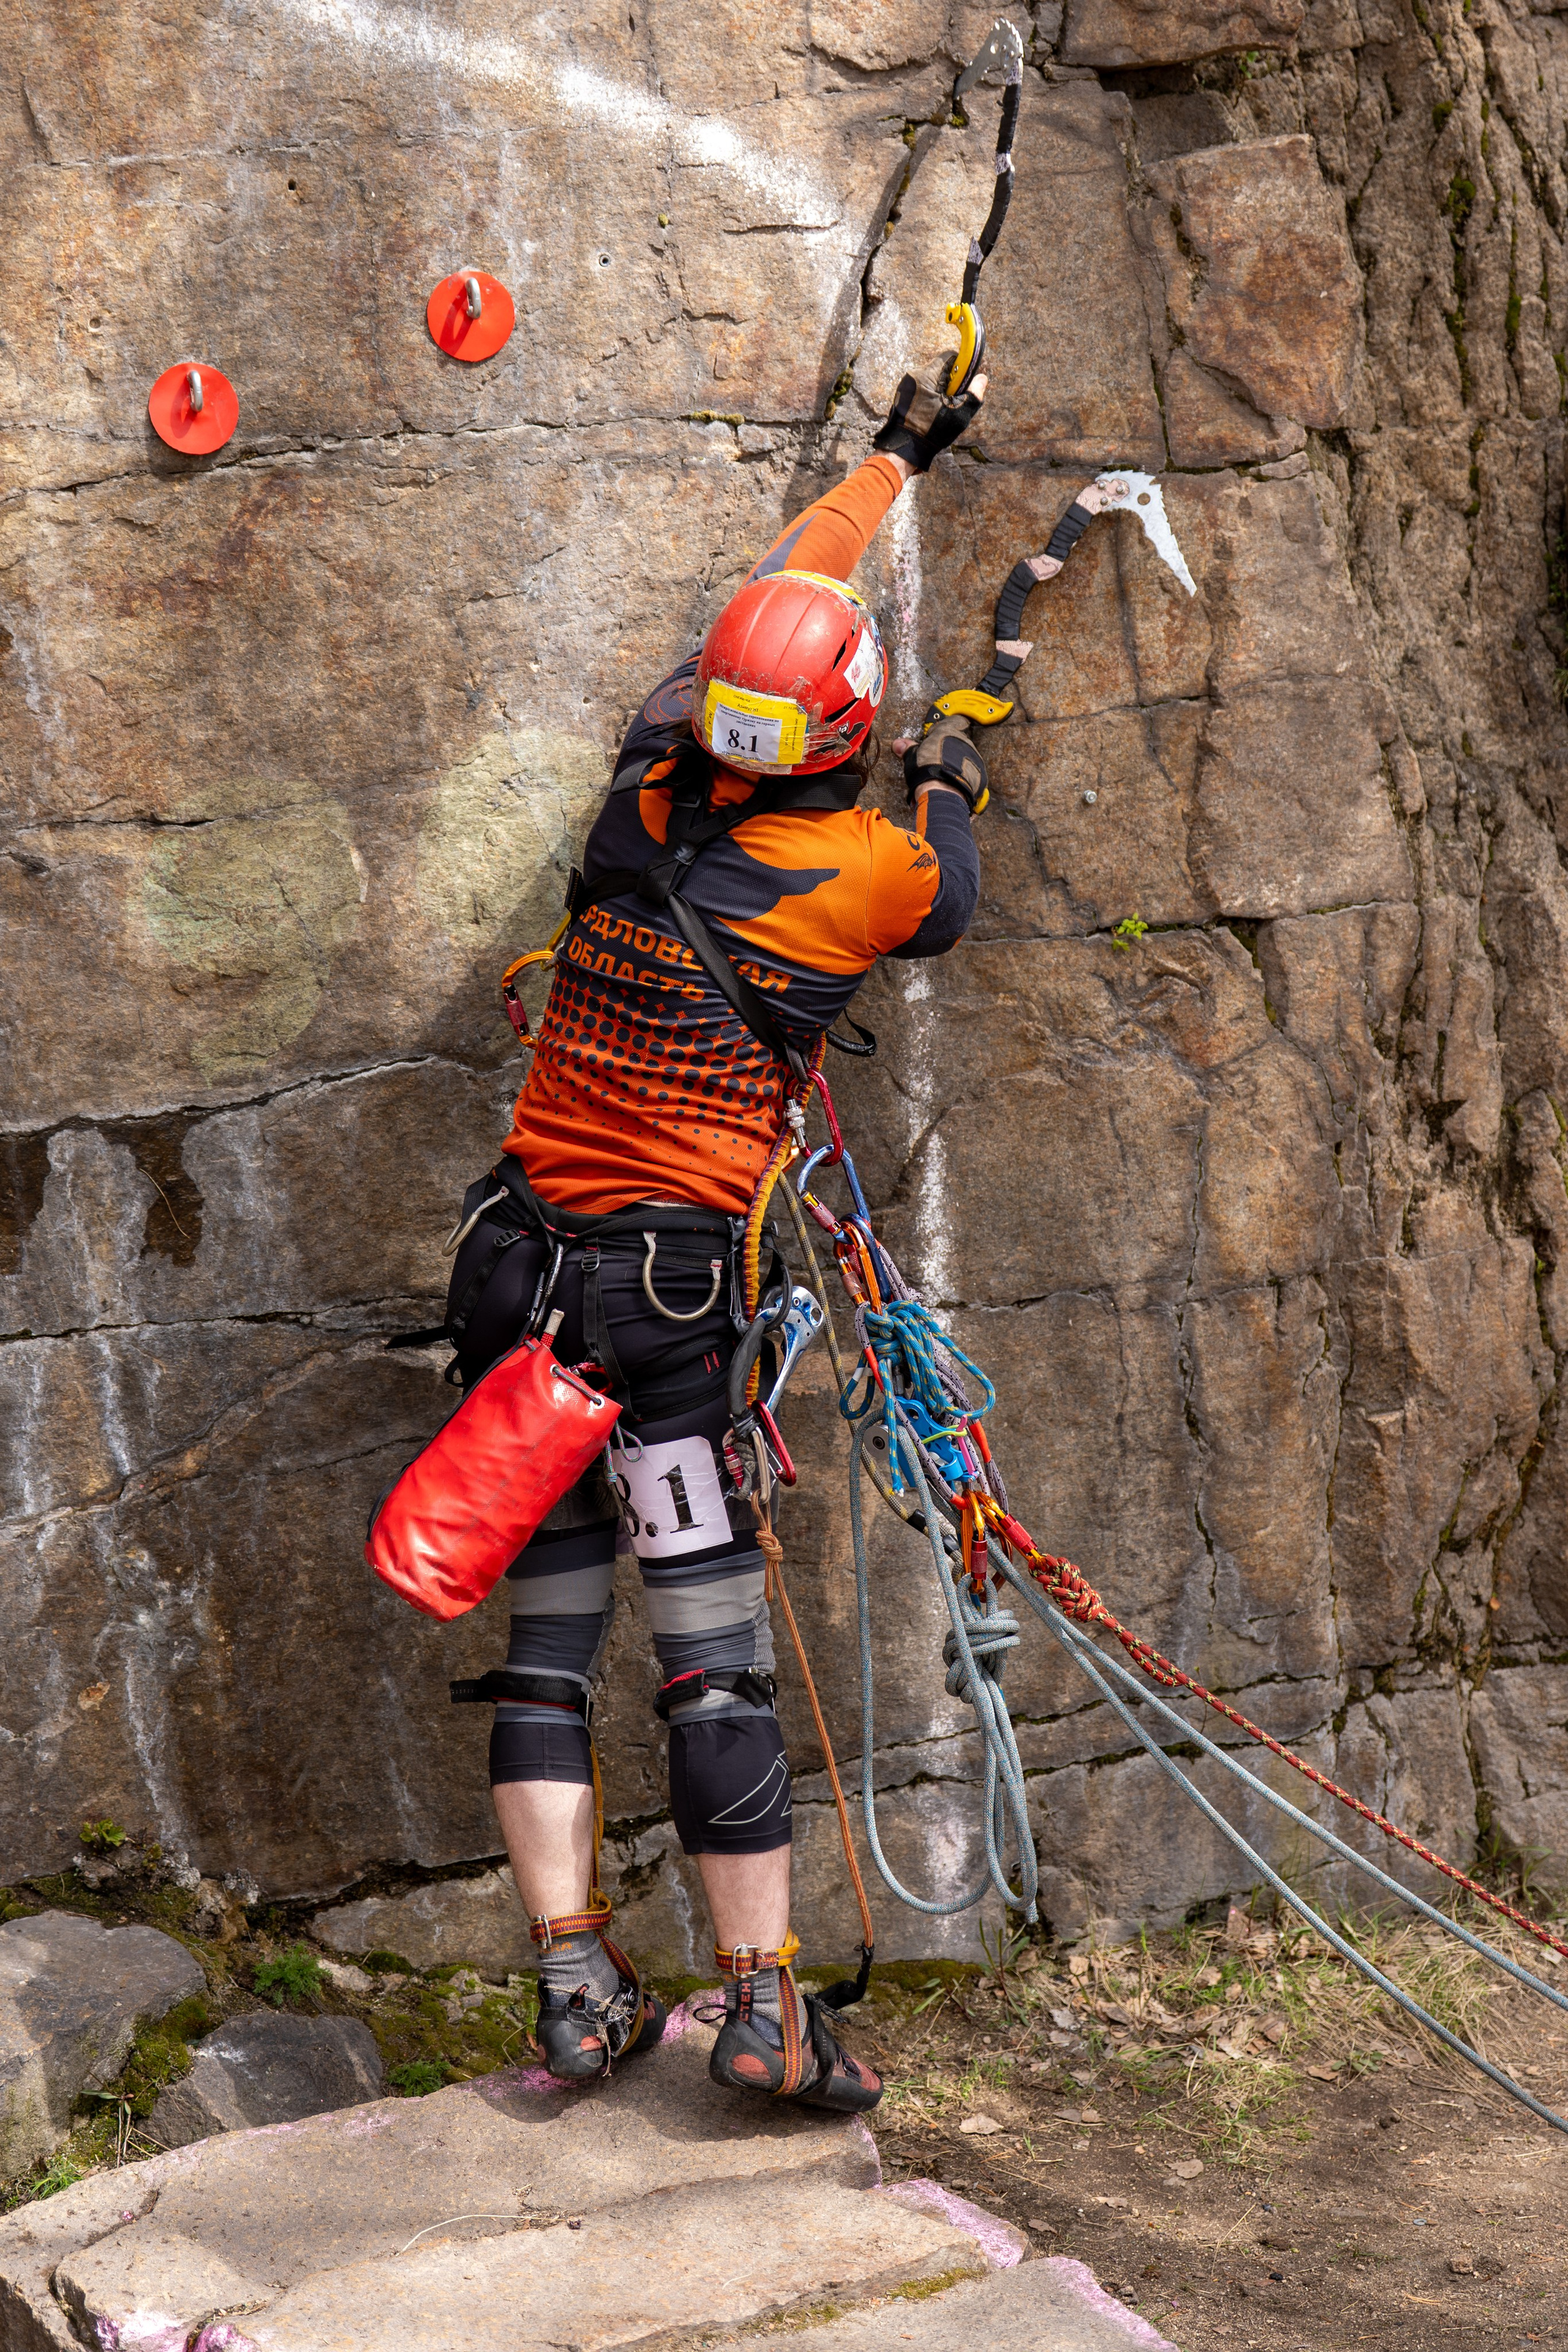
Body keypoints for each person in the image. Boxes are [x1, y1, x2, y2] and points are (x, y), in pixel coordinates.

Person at [442, 368, 1121, 2108]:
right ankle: (760, 2007)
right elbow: (947, 890)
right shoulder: (870, 870)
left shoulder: (643, 782)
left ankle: (575, 1991)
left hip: (520, 1286)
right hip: (668, 1310)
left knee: (546, 1652)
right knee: (713, 1663)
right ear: (847, 733)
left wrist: (892, 454)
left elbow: (778, 592)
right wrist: (957, 761)